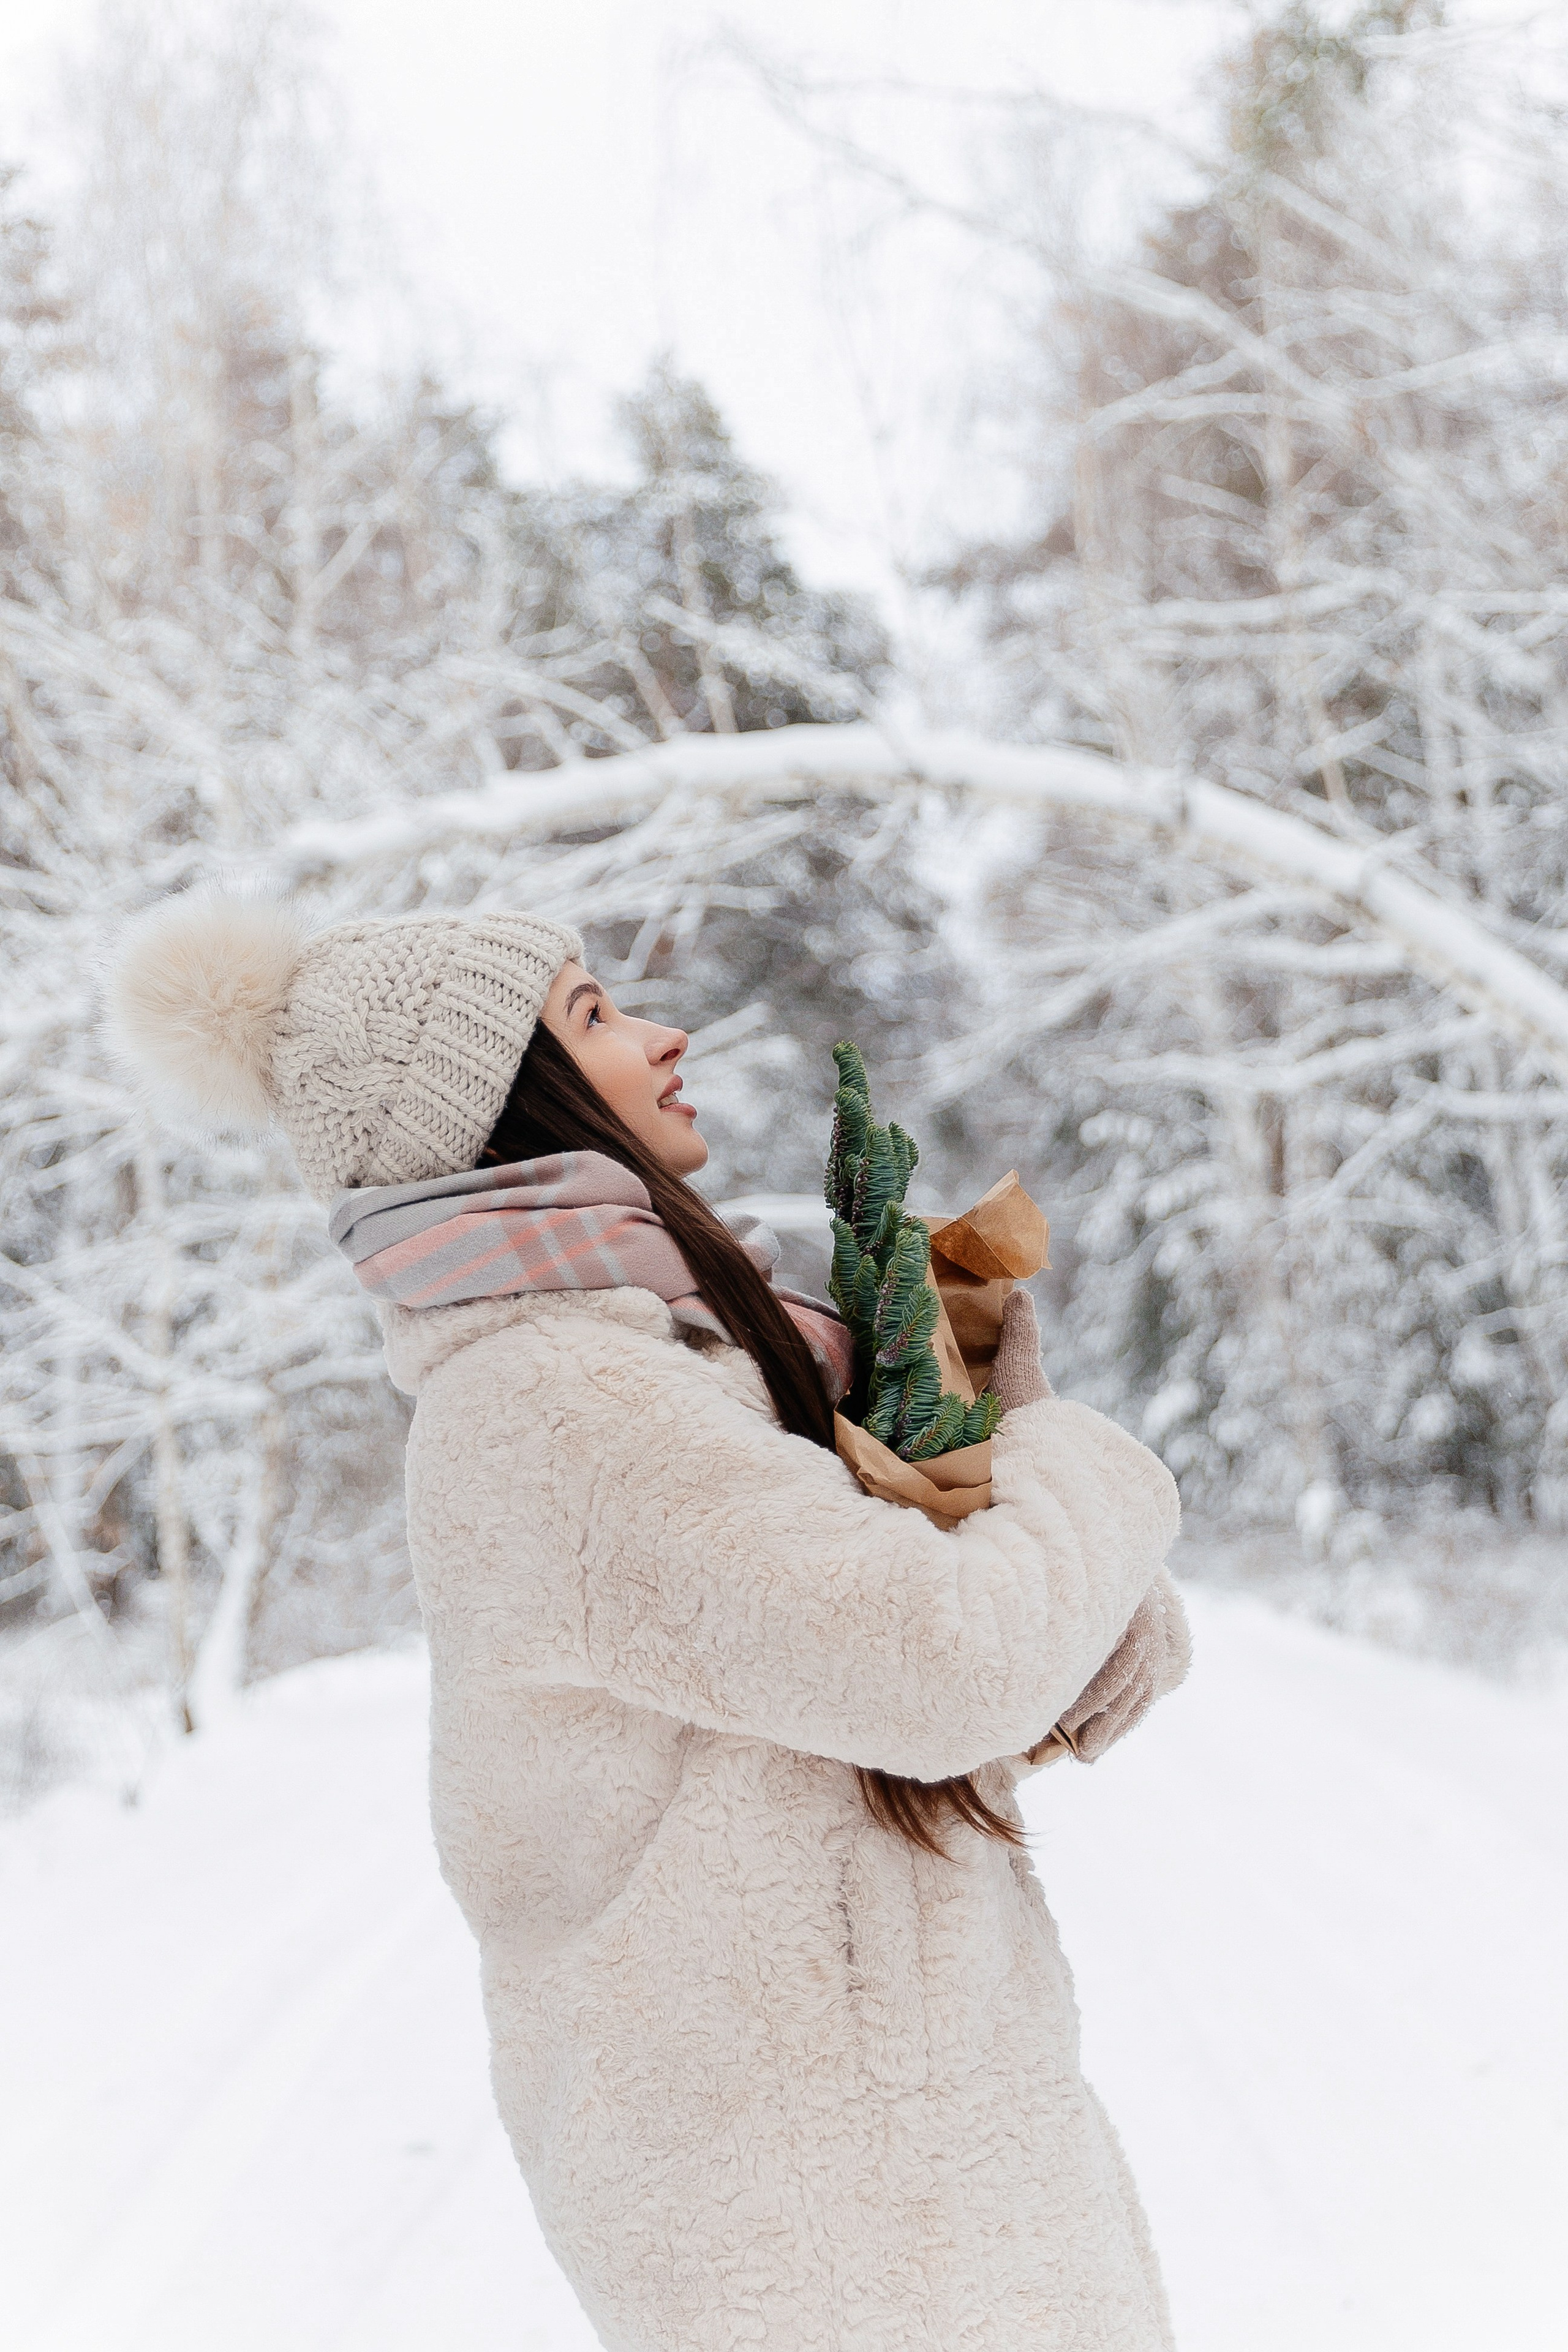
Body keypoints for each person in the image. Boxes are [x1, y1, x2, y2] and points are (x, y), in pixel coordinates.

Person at [110, 891, 1191, 2352]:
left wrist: (1071, 1584)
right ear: (508, 1107)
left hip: (903, 2175)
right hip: (828, 2227)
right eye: (595, 1018)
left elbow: (957, 1677)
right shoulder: (559, 1405)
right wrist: (1072, 1456)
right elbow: (950, 1665)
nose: (664, 1035)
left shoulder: (677, 1360)